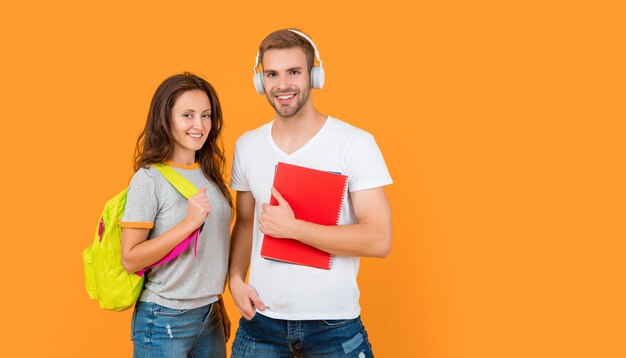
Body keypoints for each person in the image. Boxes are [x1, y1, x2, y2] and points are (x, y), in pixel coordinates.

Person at [229, 29, 393, 357]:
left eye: (294, 72)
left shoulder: (354, 144)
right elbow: (245, 223)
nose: (283, 85)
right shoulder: (247, 146)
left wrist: (294, 229)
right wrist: (234, 278)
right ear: (261, 81)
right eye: (272, 74)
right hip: (261, 321)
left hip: (334, 326)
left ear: (313, 75)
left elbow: (379, 239)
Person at [119, 72, 232, 357]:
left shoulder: (209, 175)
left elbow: (209, 252)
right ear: (165, 119)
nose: (199, 125)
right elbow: (130, 259)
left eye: (206, 115)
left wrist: (217, 304)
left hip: (209, 316)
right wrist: (189, 223)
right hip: (163, 317)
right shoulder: (149, 179)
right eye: (188, 115)